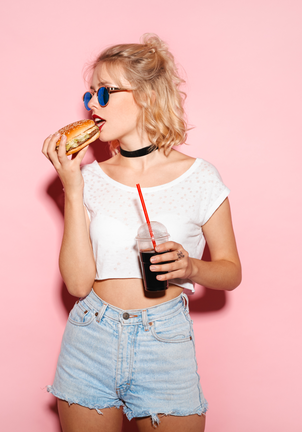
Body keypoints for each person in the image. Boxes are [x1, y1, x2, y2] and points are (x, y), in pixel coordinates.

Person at [41, 34, 241, 432]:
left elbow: (231, 272)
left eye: (104, 92)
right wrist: (73, 188)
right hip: (91, 336)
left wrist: (191, 267)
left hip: (164, 339)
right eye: (89, 94)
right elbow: (78, 284)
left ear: (147, 95)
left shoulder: (200, 177)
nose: (93, 104)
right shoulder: (90, 179)